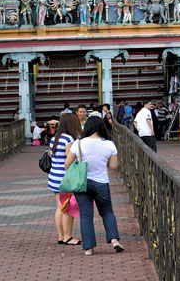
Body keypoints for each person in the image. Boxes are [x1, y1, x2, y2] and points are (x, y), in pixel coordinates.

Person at [64, 116, 124, 256]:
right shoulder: (109, 144)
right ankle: (114, 239)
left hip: (82, 183)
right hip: (101, 182)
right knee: (107, 212)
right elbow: (114, 166)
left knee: (86, 216)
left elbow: (67, 163)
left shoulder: (78, 143)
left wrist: (73, 173)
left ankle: (89, 248)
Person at [47, 107, 82, 246]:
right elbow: (70, 159)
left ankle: (61, 236)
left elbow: (51, 155)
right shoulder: (68, 138)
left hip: (54, 176)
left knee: (59, 207)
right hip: (65, 177)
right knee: (67, 207)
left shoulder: (55, 138)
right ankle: (68, 236)